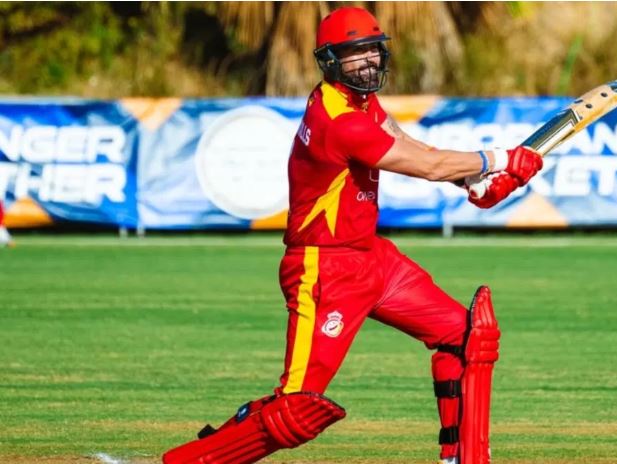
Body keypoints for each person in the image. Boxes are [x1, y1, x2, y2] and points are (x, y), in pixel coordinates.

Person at [163, 7, 542, 464]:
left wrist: (470, 181)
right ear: (330, 61)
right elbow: (427, 167)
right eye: (354, 54)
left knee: (466, 339)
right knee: (296, 409)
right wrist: (500, 160)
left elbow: (409, 145)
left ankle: (460, 457)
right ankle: (193, 460)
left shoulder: (360, 103)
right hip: (324, 269)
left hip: (372, 258)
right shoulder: (339, 121)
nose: (368, 61)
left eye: (372, 51)